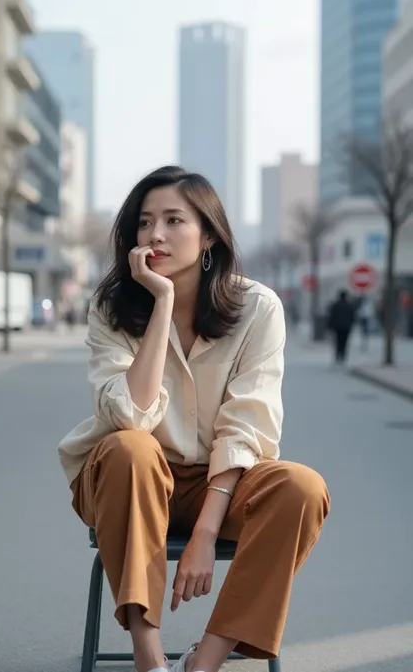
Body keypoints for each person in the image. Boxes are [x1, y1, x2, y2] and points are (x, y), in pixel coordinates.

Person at [58, 166, 330, 672]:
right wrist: (160, 302)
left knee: (301, 486)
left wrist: (205, 532)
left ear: (208, 235)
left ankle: (205, 661)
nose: (155, 234)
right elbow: (129, 416)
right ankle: (149, 656)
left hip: (221, 484)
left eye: (173, 220)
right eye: (144, 222)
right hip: (129, 481)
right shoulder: (111, 307)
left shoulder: (258, 307)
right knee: (130, 448)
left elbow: (248, 425)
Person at [327, 289, 356, 365]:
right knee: (344, 342)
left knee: (338, 341)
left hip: (337, 327)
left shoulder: (336, 305)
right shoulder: (349, 305)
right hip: (346, 327)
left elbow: (331, 317)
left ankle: (338, 355)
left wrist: (329, 327)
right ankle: (342, 355)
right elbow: (353, 317)